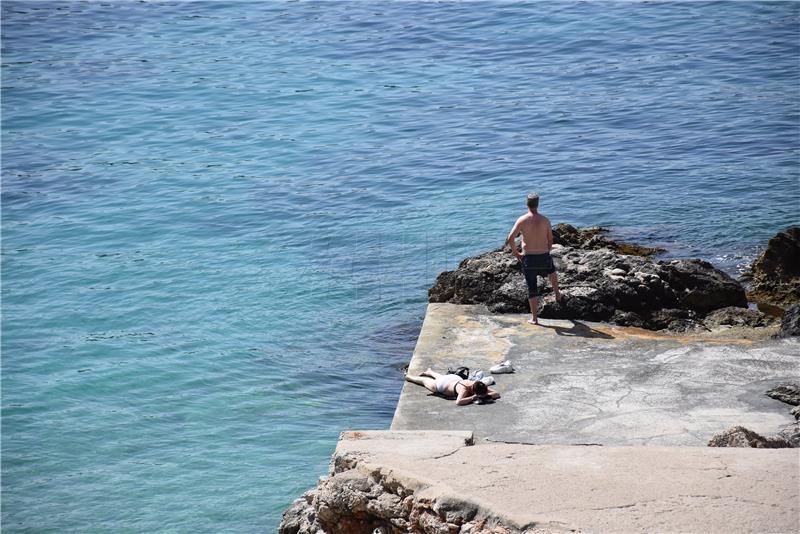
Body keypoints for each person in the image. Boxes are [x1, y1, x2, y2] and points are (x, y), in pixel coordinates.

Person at [507, 192, 562, 325]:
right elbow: (550, 239)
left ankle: (535, 318)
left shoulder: (522, 220)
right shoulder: (545, 220)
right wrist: (547, 250)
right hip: (543, 255)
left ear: (527, 204)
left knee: (532, 287)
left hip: (529, 258)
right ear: (538, 204)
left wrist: (517, 253)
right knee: (552, 272)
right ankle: (557, 294)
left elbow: (510, 238)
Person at [405, 368, 500, 406]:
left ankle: (430, 372)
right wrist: (472, 398)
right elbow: (458, 402)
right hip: (441, 385)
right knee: (424, 381)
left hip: (454, 378)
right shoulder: (464, 389)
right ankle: (409, 377)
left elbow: (496, 394)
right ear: (474, 391)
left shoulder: (478, 384)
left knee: (441, 377)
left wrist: (486, 395)